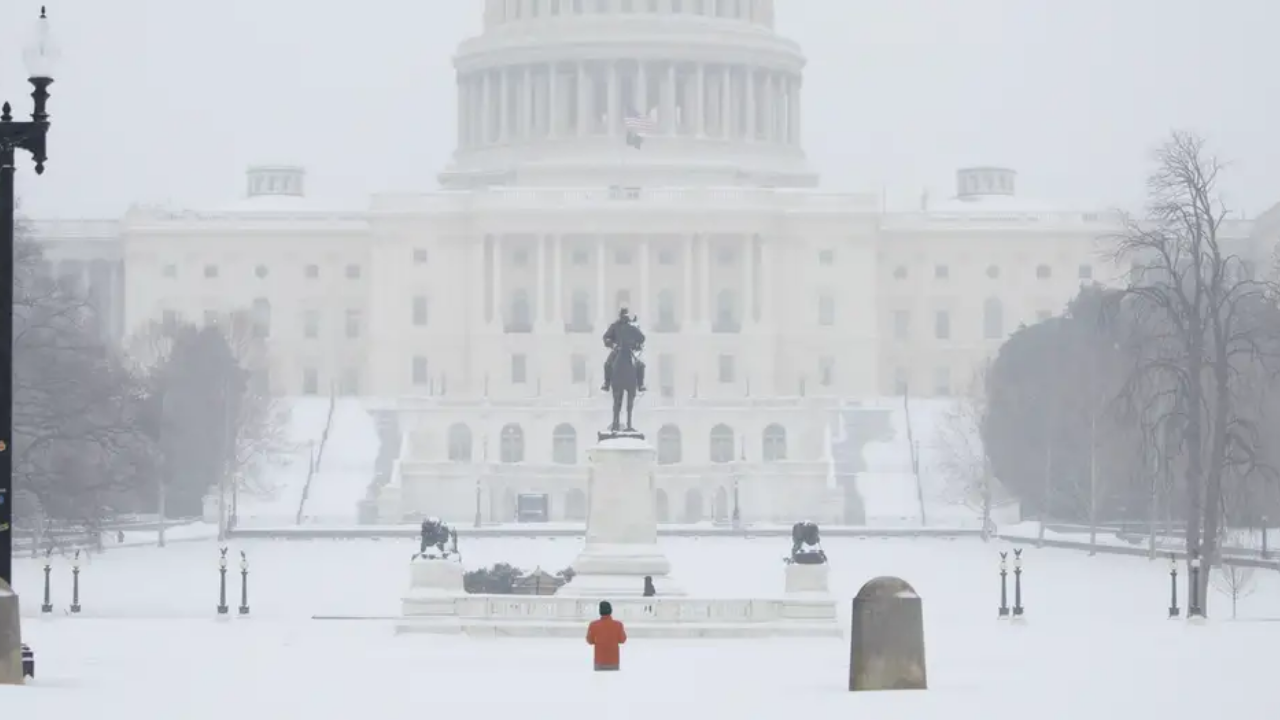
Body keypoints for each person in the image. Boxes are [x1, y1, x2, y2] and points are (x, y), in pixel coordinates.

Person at [601, 307, 647, 393]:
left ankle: (640, 385)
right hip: (617, 350)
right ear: (621, 316)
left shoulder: (632, 327)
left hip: (629, 351)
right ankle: (606, 384)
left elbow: (641, 338)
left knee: (640, 365)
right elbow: (606, 337)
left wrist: (636, 345)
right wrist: (611, 344)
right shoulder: (614, 327)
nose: (625, 318)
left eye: (626, 316)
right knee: (607, 364)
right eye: (624, 316)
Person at [586, 600, 627, 671]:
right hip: (614, 662)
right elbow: (622, 640)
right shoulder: (618, 625)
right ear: (611, 611)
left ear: (600, 611)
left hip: (599, 662)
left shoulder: (593, 625)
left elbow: (590, 641)